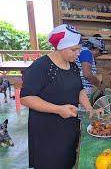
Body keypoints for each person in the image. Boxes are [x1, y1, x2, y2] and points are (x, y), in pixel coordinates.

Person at [20, 24, 94, 169]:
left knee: (68, 162)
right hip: (47, 132)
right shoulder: (41, 67)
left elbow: (79, 90)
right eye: (74, 49)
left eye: (79, 48)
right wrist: (58, 109)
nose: (78, 53)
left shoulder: (72, 66)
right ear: (60, 47)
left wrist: (90, 108)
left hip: (69, 128)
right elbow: (26, 97)